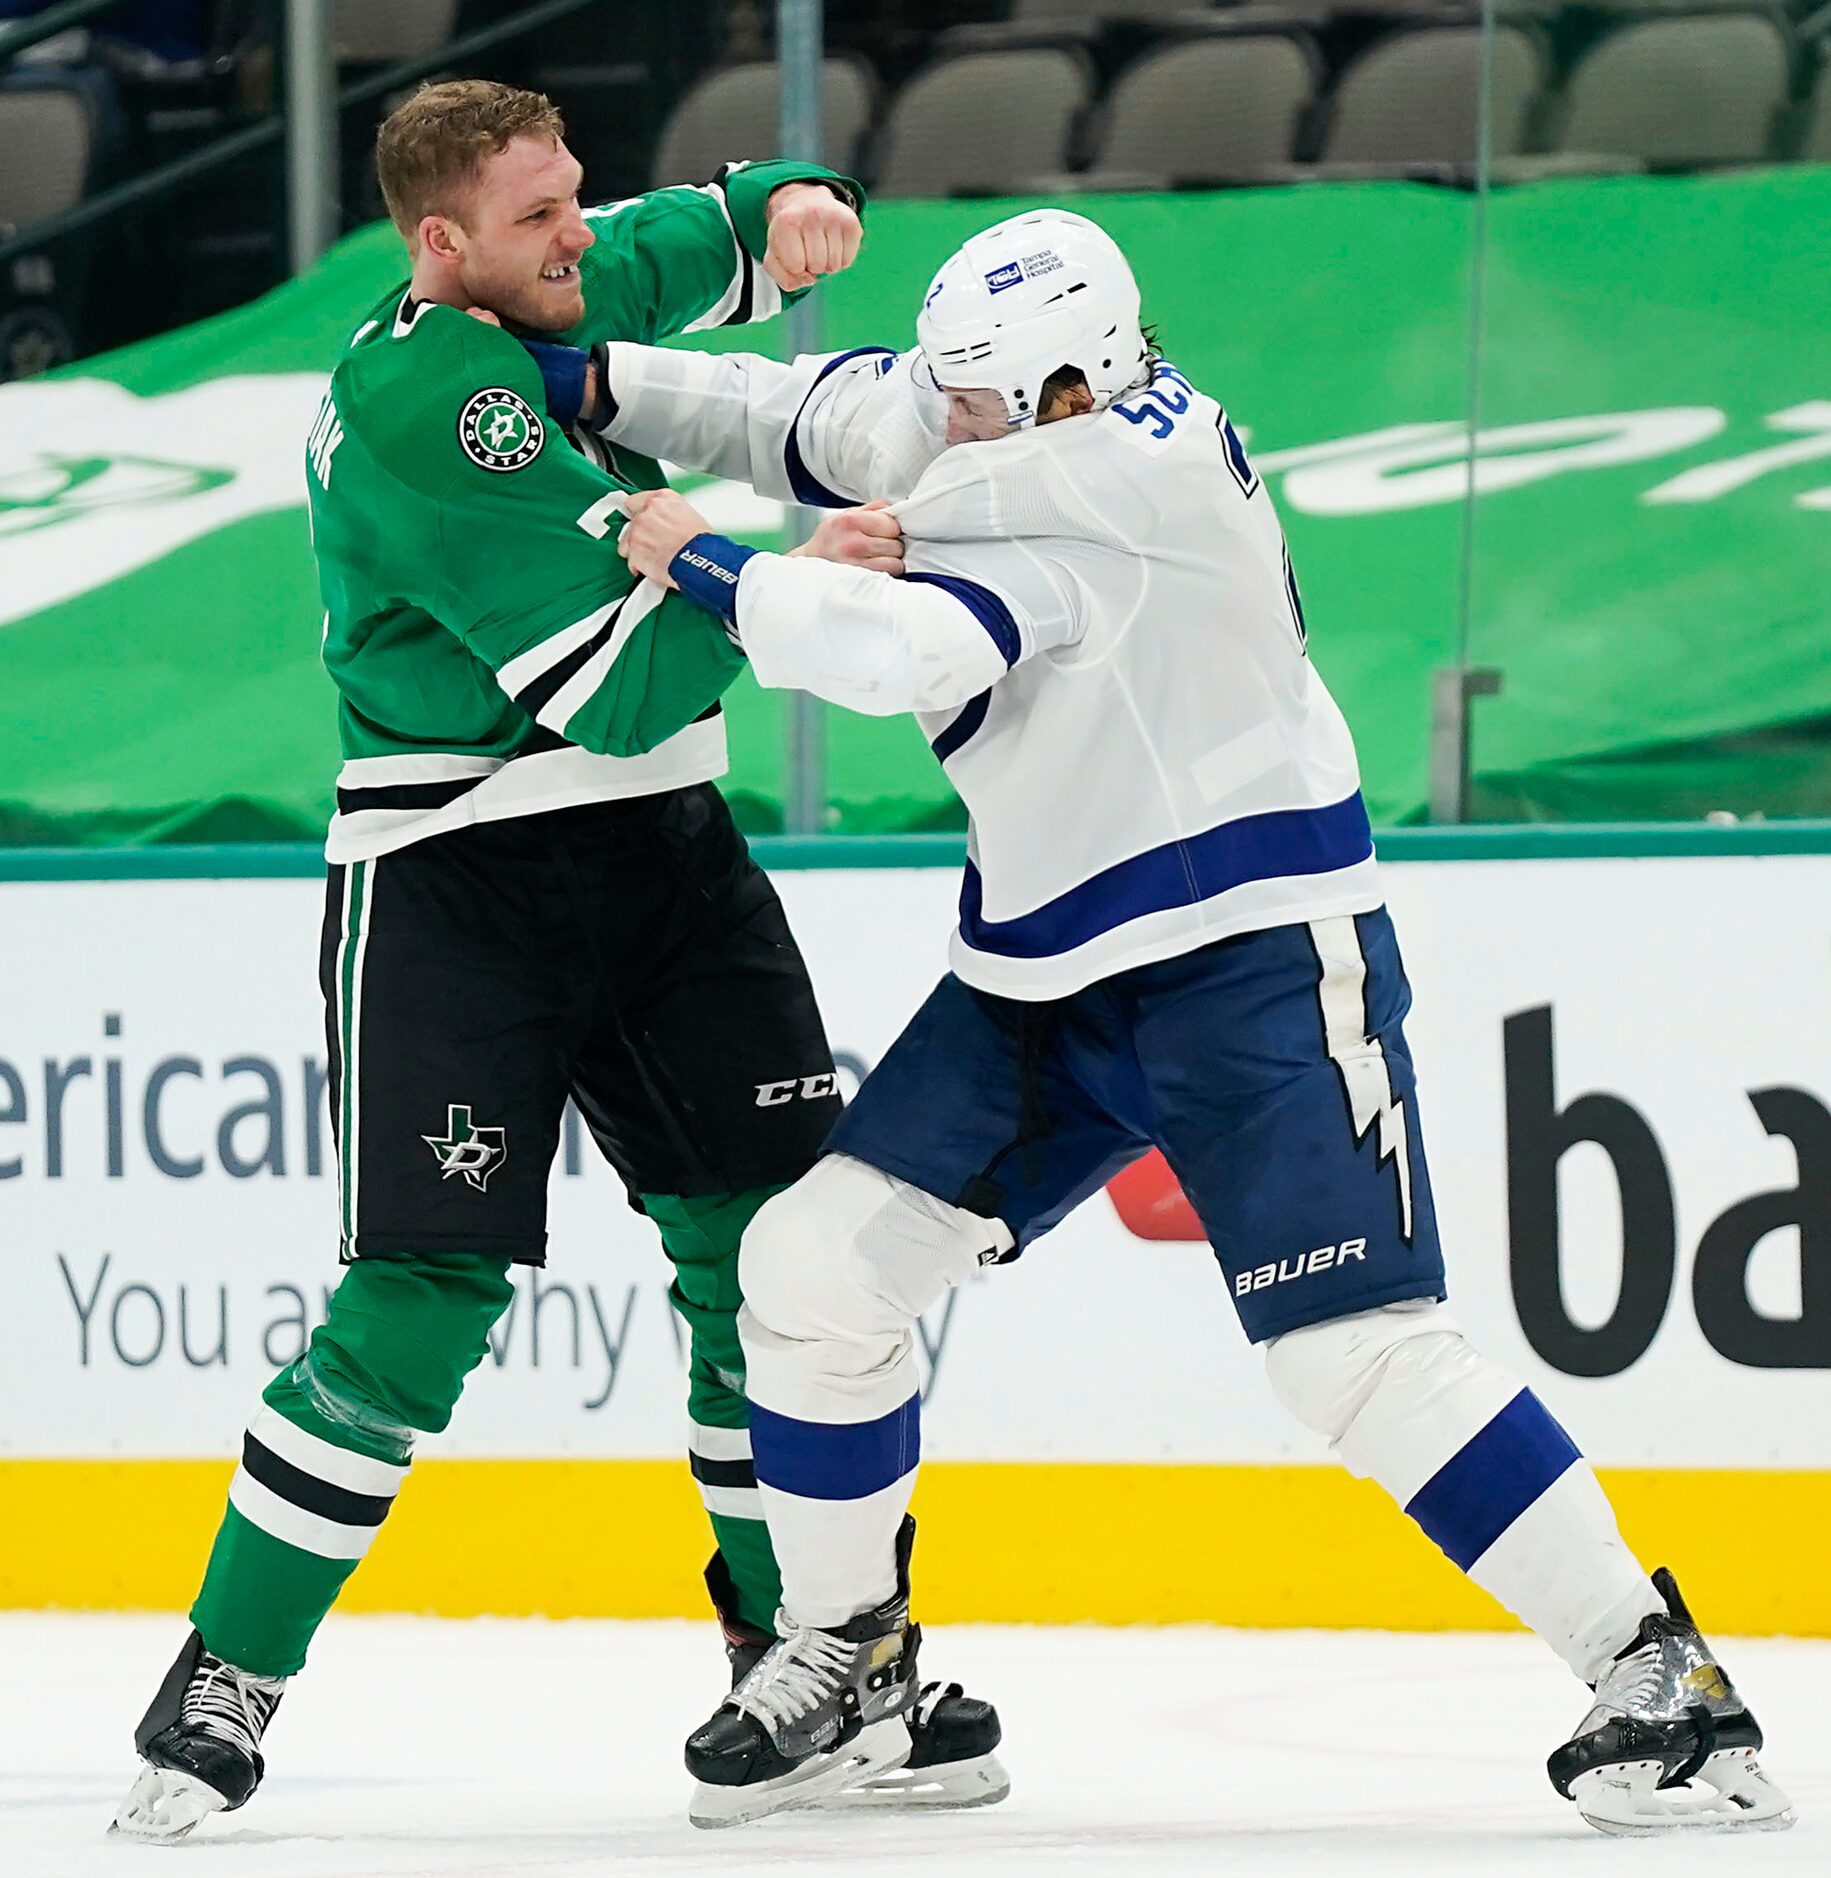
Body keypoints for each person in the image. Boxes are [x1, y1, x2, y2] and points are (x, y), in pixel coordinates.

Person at [527, 206, 1795, 1835]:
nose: (943, 412)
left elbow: (876, 637)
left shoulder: (1128, 484)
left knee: (1358, 1357)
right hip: (1047, 971)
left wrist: (692, 553)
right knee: (813, 1268)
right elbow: (800, 418)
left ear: (1069, 386)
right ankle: (853, 1662)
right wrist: (570, 373)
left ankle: (1658, 1677)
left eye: (976, 399)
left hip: (1251, 958)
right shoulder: (999, 414)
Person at [109, 79, 1004, 1844]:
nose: (574, 236)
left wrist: (771, 207)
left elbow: (653, 251)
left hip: (668, 860)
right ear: (438, 248)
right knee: (418, 1298)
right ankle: (225, 1669)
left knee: (775, 1261)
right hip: (460, 881)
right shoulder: (425, 402)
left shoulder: (531, 275)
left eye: (572, 196)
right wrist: (790, 579)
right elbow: (620, 682)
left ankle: (817, 1659)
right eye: (536, 220)